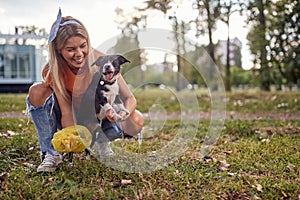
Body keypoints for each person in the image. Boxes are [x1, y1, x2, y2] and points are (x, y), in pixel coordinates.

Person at [26, 9, 144, 172]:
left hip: (101, 116)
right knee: (37, 90)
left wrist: (122, 114)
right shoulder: (53, 70)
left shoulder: (102, 61)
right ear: (59, 50)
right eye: (70, 49)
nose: (79, 54)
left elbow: (130, 98)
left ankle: (103, 141)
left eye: (83, 46)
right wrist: (73, 136)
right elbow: (66, 111)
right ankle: (51, 154)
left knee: (137, 120)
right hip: (75, 119)